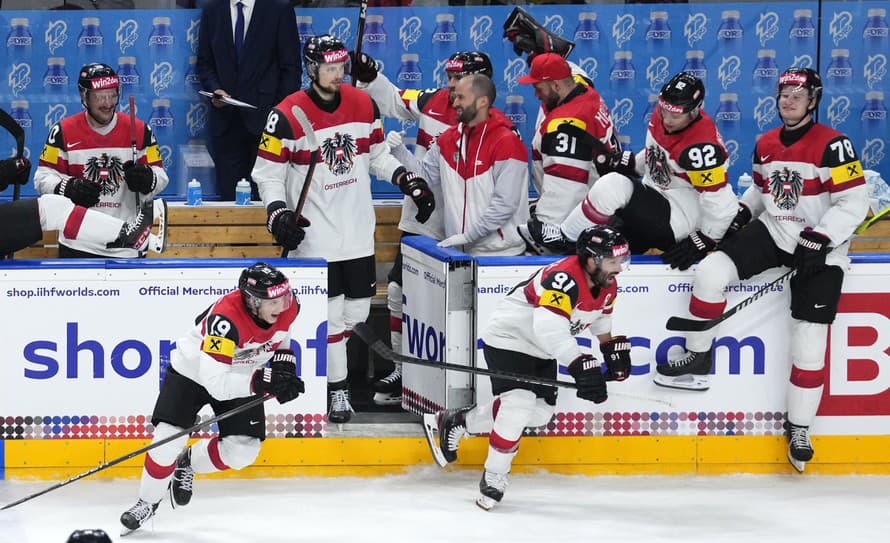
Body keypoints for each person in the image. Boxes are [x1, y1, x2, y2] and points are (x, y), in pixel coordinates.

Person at [653, 68, 869, 473]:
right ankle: (698, 356)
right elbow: (760, 190)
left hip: (821, 249)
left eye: (797, 95)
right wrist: (741, 214)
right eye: (783, 93)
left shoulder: (833, 146)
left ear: (813, 100)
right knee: (711, 272)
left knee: (808, 341)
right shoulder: (766, 142)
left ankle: (800, 428)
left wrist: (822, 237)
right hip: (774, 232)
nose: (788, 100)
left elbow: (855, 203)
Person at [252, 35, 434, 424]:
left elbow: (376, 155)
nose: (338, 75)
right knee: (333, 320)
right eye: (330, 68)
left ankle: (331, 378)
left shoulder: (363, 102)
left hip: (357, 235)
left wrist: (404, 178)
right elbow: (267, 174)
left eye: (341, 67)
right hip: (315, 240)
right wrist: (277, 213)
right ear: (312, 68)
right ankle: (338, 390)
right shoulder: (286, 114)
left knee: (355, 315)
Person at [423, 226, 633, 510]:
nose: (619, 268)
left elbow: (598, 316)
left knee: (539, 414)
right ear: (592, 259)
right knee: (518, 404)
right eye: (613, 261)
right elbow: (548, 326)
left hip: (542, 350)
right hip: (510, 339)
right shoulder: (563, 278)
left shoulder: (608, 283)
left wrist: (609, 348)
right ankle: (495, 475)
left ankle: (459, 421)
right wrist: (579, 362)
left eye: (621, 260)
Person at [351, 50, 495, 405]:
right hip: (421, 217)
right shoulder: (432, 100)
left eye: (457, 78)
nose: (449, 85)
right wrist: (371, 77)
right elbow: (396, 100)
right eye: (448, 77)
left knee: (446, 302)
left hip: (460, 223)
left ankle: (447, 375)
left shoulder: (489, 123)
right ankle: (403, 370)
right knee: (399, 291)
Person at [120, 262, 305, 535]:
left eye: (283, 298)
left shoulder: (289, 306)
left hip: (240, 373)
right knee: (166, 440)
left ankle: (187, 462)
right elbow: (216, 384)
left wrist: (284, 366)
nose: (281, 306)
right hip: (193, 372)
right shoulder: (224, 320)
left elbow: (283, 335)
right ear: (253, 301)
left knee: (242, 451)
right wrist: (261, 381)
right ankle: (147, 502)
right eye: (273, 302)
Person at [519, 71, 737, 271]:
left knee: (614, 186)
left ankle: (564, 235)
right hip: (656, 202)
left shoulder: (700, 148)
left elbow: (723, 203)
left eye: (675, 116)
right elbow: (659, 154)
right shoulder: (665, 113)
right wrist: (633, 163)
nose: (667, 120)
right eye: (664, 110)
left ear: (694, 111)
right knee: (595, 249)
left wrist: (705, 238)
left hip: (678, 217)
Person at [33, 63, 169, 258]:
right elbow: (42, 178)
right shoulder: (62, 131)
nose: (108, 103)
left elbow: (161, 176)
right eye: (99, 97)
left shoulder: (140, 130)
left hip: (126, 245)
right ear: (83, 95)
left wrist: (149, 179)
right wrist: (68, 187)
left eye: (112, 95)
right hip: (78, 243)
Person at [393, 74, 529, 257]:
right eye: (455, 96)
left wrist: (469, 236)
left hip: (501, 255)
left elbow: (505, 204)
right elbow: (425, 177)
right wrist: (399, 151)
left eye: (461, 97)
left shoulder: (507, 142)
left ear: (482, 102)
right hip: (459, 253)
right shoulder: (447, 139)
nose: (454, 102)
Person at [196, 0, 301, 201]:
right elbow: (204, 63)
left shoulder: (279, 8)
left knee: (270, 200)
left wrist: (277, 115)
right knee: (229, 204)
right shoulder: (212, 10)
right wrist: (215, 89)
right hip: (226, 124)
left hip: (267, 125)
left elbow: (291, 69)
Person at [516, 53, 622, 234]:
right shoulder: (586, 92)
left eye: (538, 88)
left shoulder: (565, 123)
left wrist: (545, 226)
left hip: (579, 218)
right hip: (600, 206)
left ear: (556, 85)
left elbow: (565, 191)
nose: (536, 94)